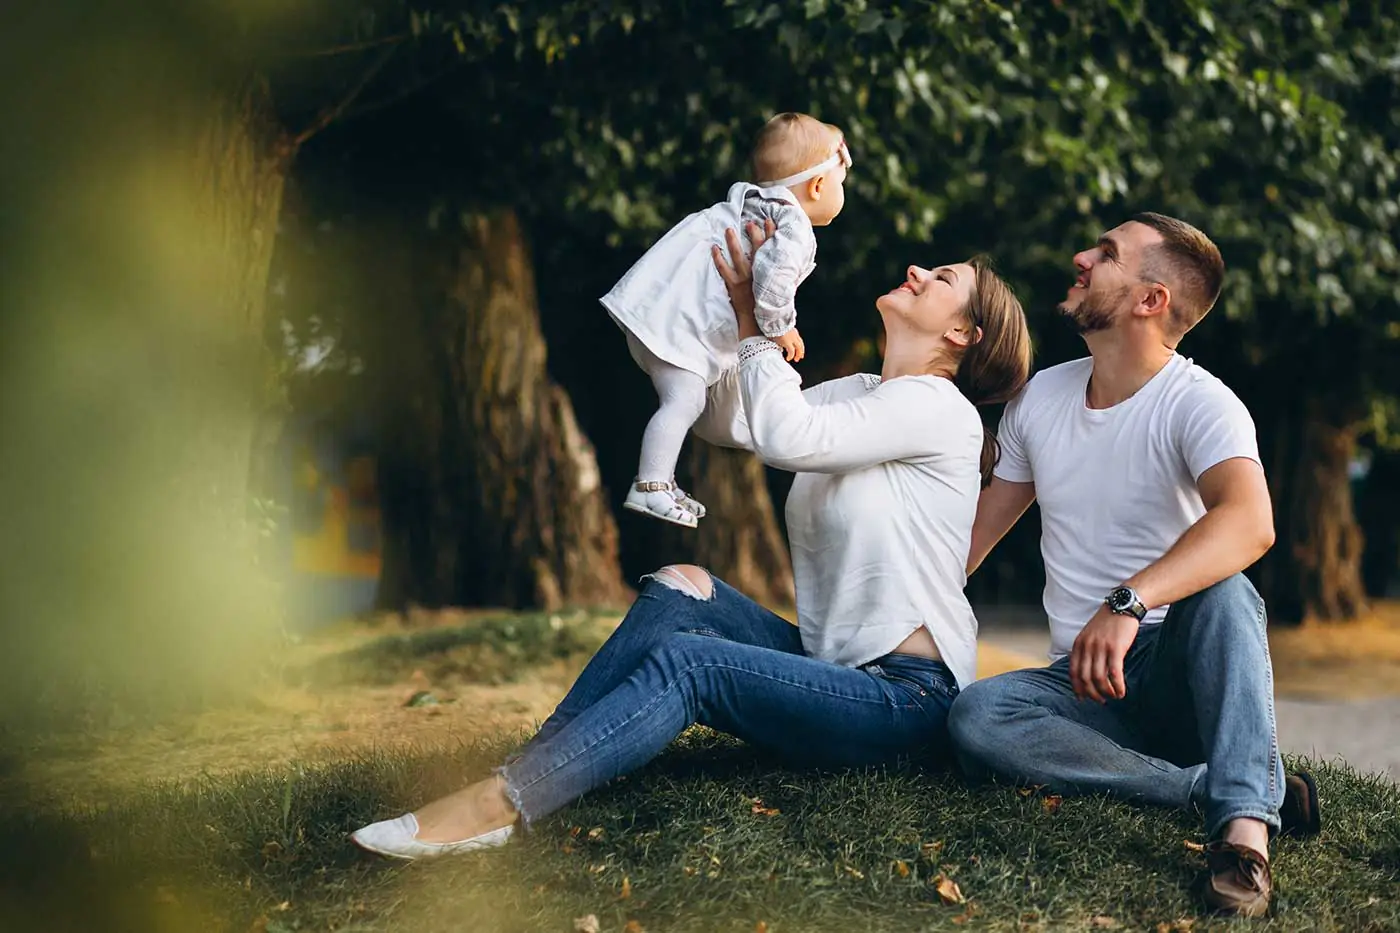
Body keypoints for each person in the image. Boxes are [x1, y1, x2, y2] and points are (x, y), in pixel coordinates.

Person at [350, 222, 1032, 860]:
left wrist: (756, 327)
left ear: (963, 332)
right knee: (682, 584)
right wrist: (720, 313)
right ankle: (542, 764)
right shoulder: (864, 392)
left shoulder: (938, 409)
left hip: (903, 700)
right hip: (836, 664)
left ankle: (498, 803)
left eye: (940, 278)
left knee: (691, 662)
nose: (916, 269)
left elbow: (787, 434)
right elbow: (730, 419)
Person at [945, 213, 1322, 918]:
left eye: (1108, 254)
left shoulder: (1202, 403)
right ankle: (1211, 785)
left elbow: (1250, 522)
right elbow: (972, 538)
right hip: (1084, 694)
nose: (1083, 256)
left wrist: (1129, 603)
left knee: (1227, 591)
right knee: (977, 716)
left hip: (1180, 672)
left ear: (1152, 300)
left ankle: (1243, 837)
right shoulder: (1041, 398)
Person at [600, 112, 851, 528]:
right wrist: (781, 326)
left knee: (686, 402)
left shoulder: (750, 201)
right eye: (841, 183)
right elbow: (771, 281)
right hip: (679, 332)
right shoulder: (795, 227)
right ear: (818, 185)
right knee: (685, 401)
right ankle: (650, 485)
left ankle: (663, 478)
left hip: (659, 316)